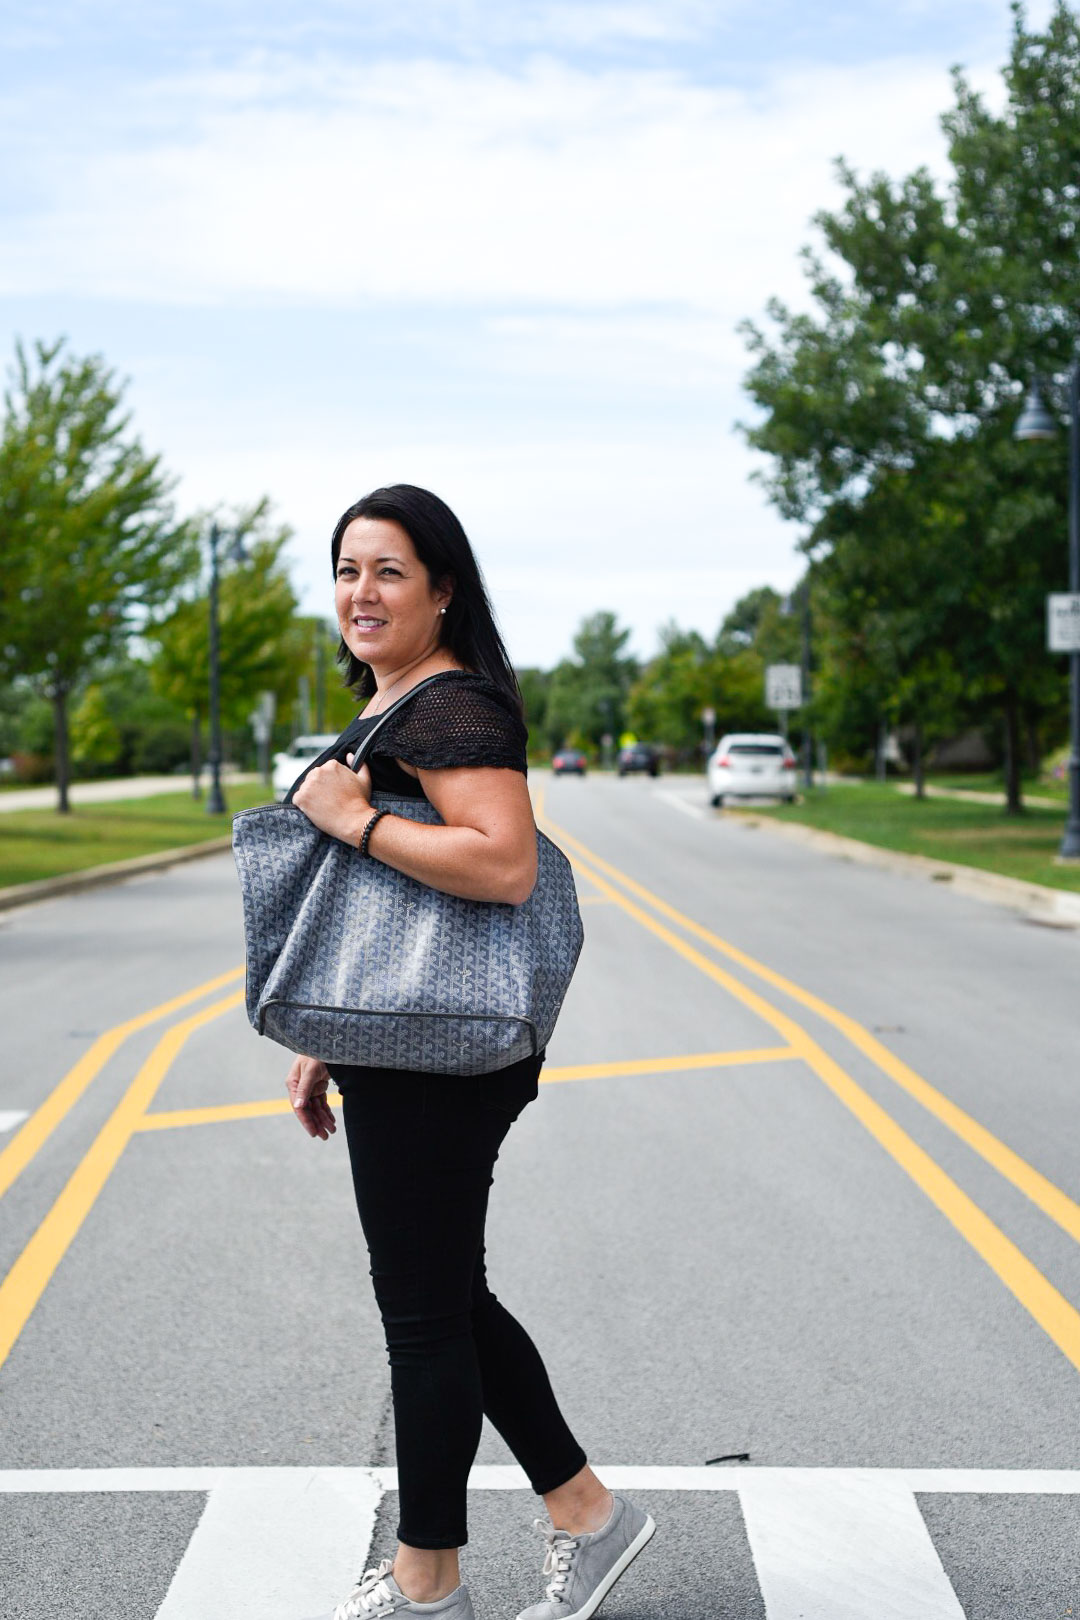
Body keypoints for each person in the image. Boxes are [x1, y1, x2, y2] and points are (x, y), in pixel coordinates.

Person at [285, 486, 655, 1620]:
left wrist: (350, 818)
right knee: (446, 1296)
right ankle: (588, 1513)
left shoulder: (452, 709)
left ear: (444, 589)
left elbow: (503, 865)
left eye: (390, 570)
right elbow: (370, 903)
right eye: (348, 568)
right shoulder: (398, 707)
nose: (361, 591)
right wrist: (323, 1030)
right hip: (401, 1044)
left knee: (425, 1315)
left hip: (442, 1056)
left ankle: (427, 1579)